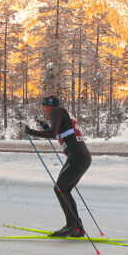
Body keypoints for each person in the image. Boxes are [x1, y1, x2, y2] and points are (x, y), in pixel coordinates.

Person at [24, 95, 91, 237]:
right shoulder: (62, 113)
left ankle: (74, 226)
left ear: (49, 105)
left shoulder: (57, 112)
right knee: (63, 190)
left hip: (78, 157)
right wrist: (45, 127)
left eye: (44, 106)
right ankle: (76, 227)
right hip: (79, 157)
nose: (44, 109)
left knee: (60, 189)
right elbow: (58, 132)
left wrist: (30, 131)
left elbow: (52, 133)